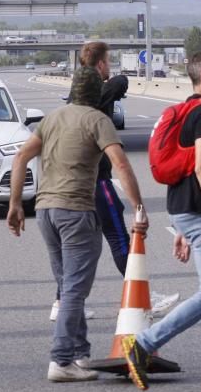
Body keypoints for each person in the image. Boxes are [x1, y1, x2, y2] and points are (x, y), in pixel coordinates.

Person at [7, 66, 149, 383]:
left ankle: (79, 354)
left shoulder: (52, 118)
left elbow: (20, 158)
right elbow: (121, 164)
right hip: (76, 210)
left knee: (68, 283)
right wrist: (139, 207)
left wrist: (15, 204)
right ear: (98, 93)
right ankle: (60, 360)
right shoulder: (98, 120)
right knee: (74, 289)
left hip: (45, 211)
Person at [121, 51, 201, 391]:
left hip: (184, 209)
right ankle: (143, 344)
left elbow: (185, 168)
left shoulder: (187, 111)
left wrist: (182, 228)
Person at [48, 44, 178, 323]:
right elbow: (121, 83)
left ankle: (63, 300)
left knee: (74, 247)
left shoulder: (70, 104)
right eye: (108, 62)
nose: (112, 68)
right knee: (118, 237)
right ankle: (142, 296)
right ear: (99, 66)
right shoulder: (93, 102)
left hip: (71, 186)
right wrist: (139, 205)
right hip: (99, 181)